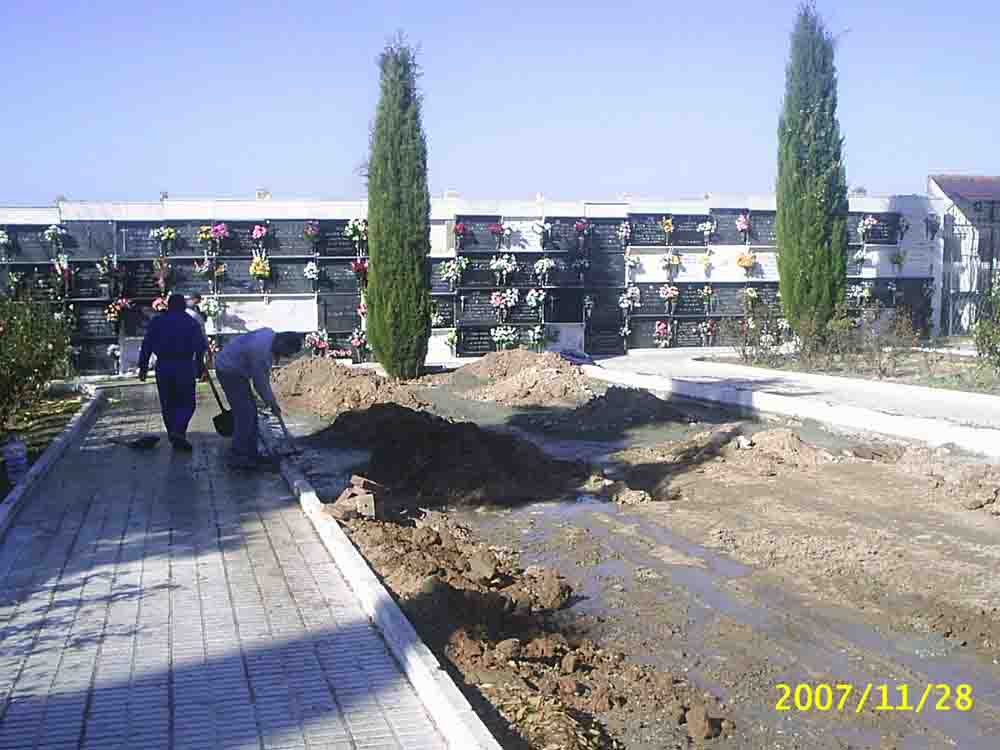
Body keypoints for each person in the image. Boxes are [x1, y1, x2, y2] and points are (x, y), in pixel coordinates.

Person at [214, 328, 302, 470]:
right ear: (283, 343)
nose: (284, 356)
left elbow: (261, 380)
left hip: (234, 367)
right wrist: (272, 403)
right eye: (286, 353)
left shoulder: (269, 334)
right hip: (229, 370)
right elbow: (260, 384)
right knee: (245, 414)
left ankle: (250, 453)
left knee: (250, 412)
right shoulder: (261, 353)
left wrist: (270, 401)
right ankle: (239, 456)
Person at [138, 293, 208, 451]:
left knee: (168, 402)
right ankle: (178, 431)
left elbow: (147, 345)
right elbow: (199, 347)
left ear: (169, 305)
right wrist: (200, 367)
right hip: (184, 365)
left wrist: (143, 367)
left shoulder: (157, 321)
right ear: (183, 306)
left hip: (163, 366)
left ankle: (174, 434)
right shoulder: (191, 322)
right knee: (187, 403)